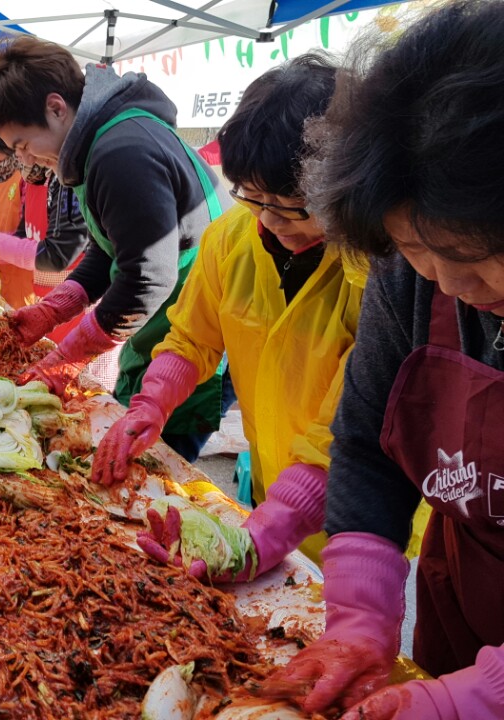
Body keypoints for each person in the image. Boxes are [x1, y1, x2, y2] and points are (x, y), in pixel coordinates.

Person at [253, 3, 504, 718]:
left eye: (471, 258)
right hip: (462, 600)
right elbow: (365, 446)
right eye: (419, 254)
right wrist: (362, 621)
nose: (450, 286)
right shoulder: (412, 279)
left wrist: (483, 697)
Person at [92, 54, 358, 574]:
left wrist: (275, 525)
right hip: (270, 480)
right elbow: (192, 338)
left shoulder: (375, 269)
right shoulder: (232, 238)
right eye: (252, 196)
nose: (267, 219)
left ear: (341, 187)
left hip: (357, 510)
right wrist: (152, 403)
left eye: (289, 205)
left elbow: (353, 422)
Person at [0, 37, 227, 460]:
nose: (27, 160)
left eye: (22, 145)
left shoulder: (120, 151)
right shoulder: (101, 142)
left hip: (202, 334)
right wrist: (52, 309)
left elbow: (147, 277)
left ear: (56, 108)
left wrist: (66, 358)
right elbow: (112, 250)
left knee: (148, 460)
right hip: (163, 323)